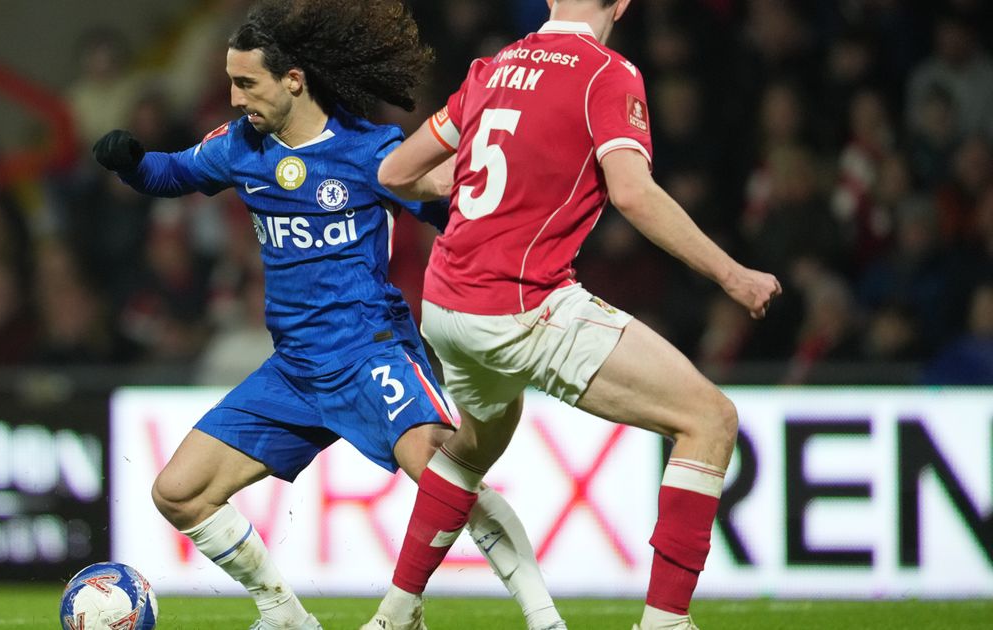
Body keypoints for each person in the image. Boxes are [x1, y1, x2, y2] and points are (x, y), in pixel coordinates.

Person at [91, 2, 566, 629]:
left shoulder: (374, 153)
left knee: (449, 480)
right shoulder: (240, 146)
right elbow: (171, 172)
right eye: (231, 82)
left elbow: (457, 217)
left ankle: (544, 618)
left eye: (246, 83)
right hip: (294, 370)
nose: (234, 98)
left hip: (371, 354)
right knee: (178, 493)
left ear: (293, 79)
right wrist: (130, 161)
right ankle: (284, 615)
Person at [367, 1, 782, 629]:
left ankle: (395, 613)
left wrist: (469, 179)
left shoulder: (493, 68)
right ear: (623, 4)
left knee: (472, 448)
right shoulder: (606, 73)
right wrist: (733, 274)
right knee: (709, 419)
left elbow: (395, 172)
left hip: (447, 306)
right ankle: (666, 623)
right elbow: (633, 193)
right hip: (521, 307)